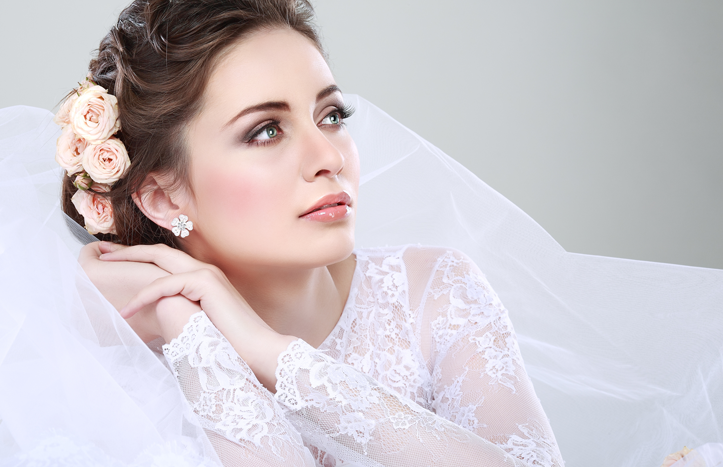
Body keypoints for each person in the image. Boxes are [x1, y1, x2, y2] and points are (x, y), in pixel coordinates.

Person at [0, 1, 721, 466]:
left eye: (331, 115)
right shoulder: (119, 352)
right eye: (265, 130)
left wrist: (268, 352)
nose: (328, 156)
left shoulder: (432, 294)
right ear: (164, 195)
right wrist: (190, 331)